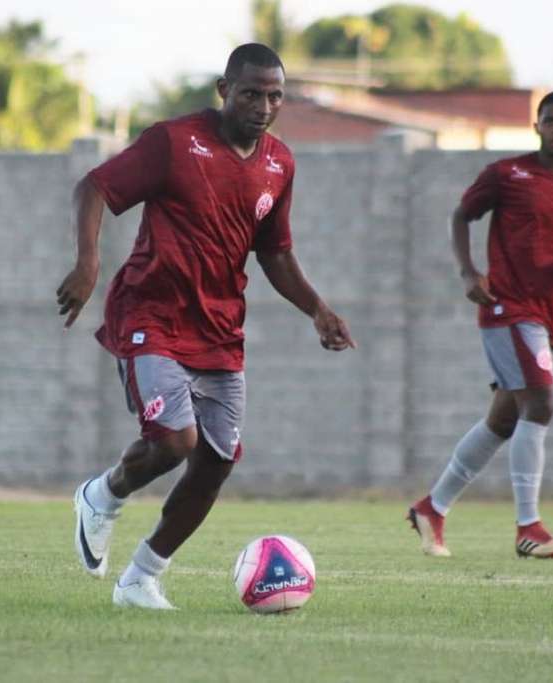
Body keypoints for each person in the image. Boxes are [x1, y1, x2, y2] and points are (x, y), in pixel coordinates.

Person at [56, 43, 355, 609]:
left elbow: (276, 253)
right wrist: (88, 262)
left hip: (219, 329)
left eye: (274, 95)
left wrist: (318, 308)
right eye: (250, 92)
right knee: (174, 441)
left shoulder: (279, 164)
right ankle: (103, 495)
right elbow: (93, 187)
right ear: (224, 90)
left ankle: (141, 578)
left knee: (215, 464)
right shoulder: (173, 142)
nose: (263, 105)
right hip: (151, 313)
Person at [408, 90, 553, 560]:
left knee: (504, 420)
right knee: (541, 403)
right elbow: (462, 214)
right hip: (507, 307)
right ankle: (529, 526)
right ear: (537, 126)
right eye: (551, 120)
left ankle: (431, 508)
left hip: (552, 313)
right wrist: (467, 271)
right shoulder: (508, 175)